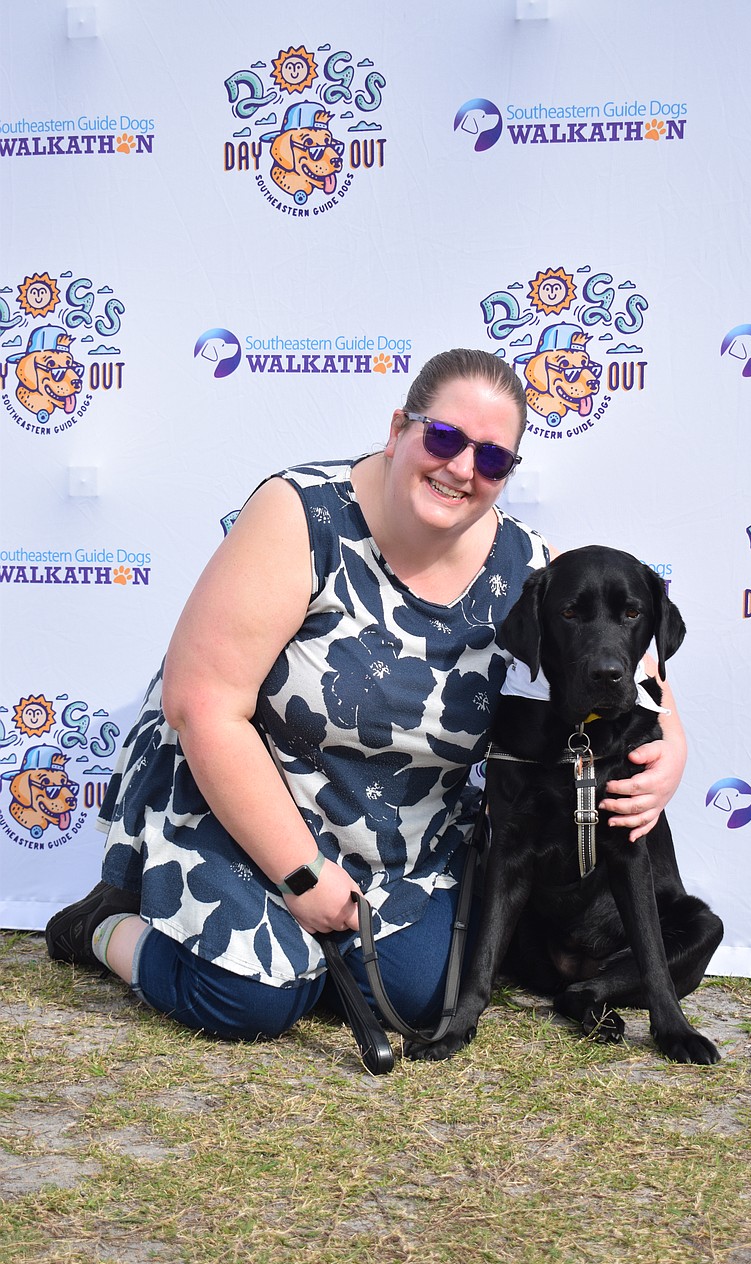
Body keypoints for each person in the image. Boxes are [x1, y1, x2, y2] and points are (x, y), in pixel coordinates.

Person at [45, 349, 687, 1041]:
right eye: (443, 438)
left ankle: (301, 955)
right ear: (398, 428)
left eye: (494, 459)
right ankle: (105, 924)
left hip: (393, 837)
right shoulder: (302, 515)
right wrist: (303, 874)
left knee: (415, 1000)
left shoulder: (527, 565)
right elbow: (200, 704)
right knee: (251, 1000)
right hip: (241, 797)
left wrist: (673, 747)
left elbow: (621, 654)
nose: (463, 468)